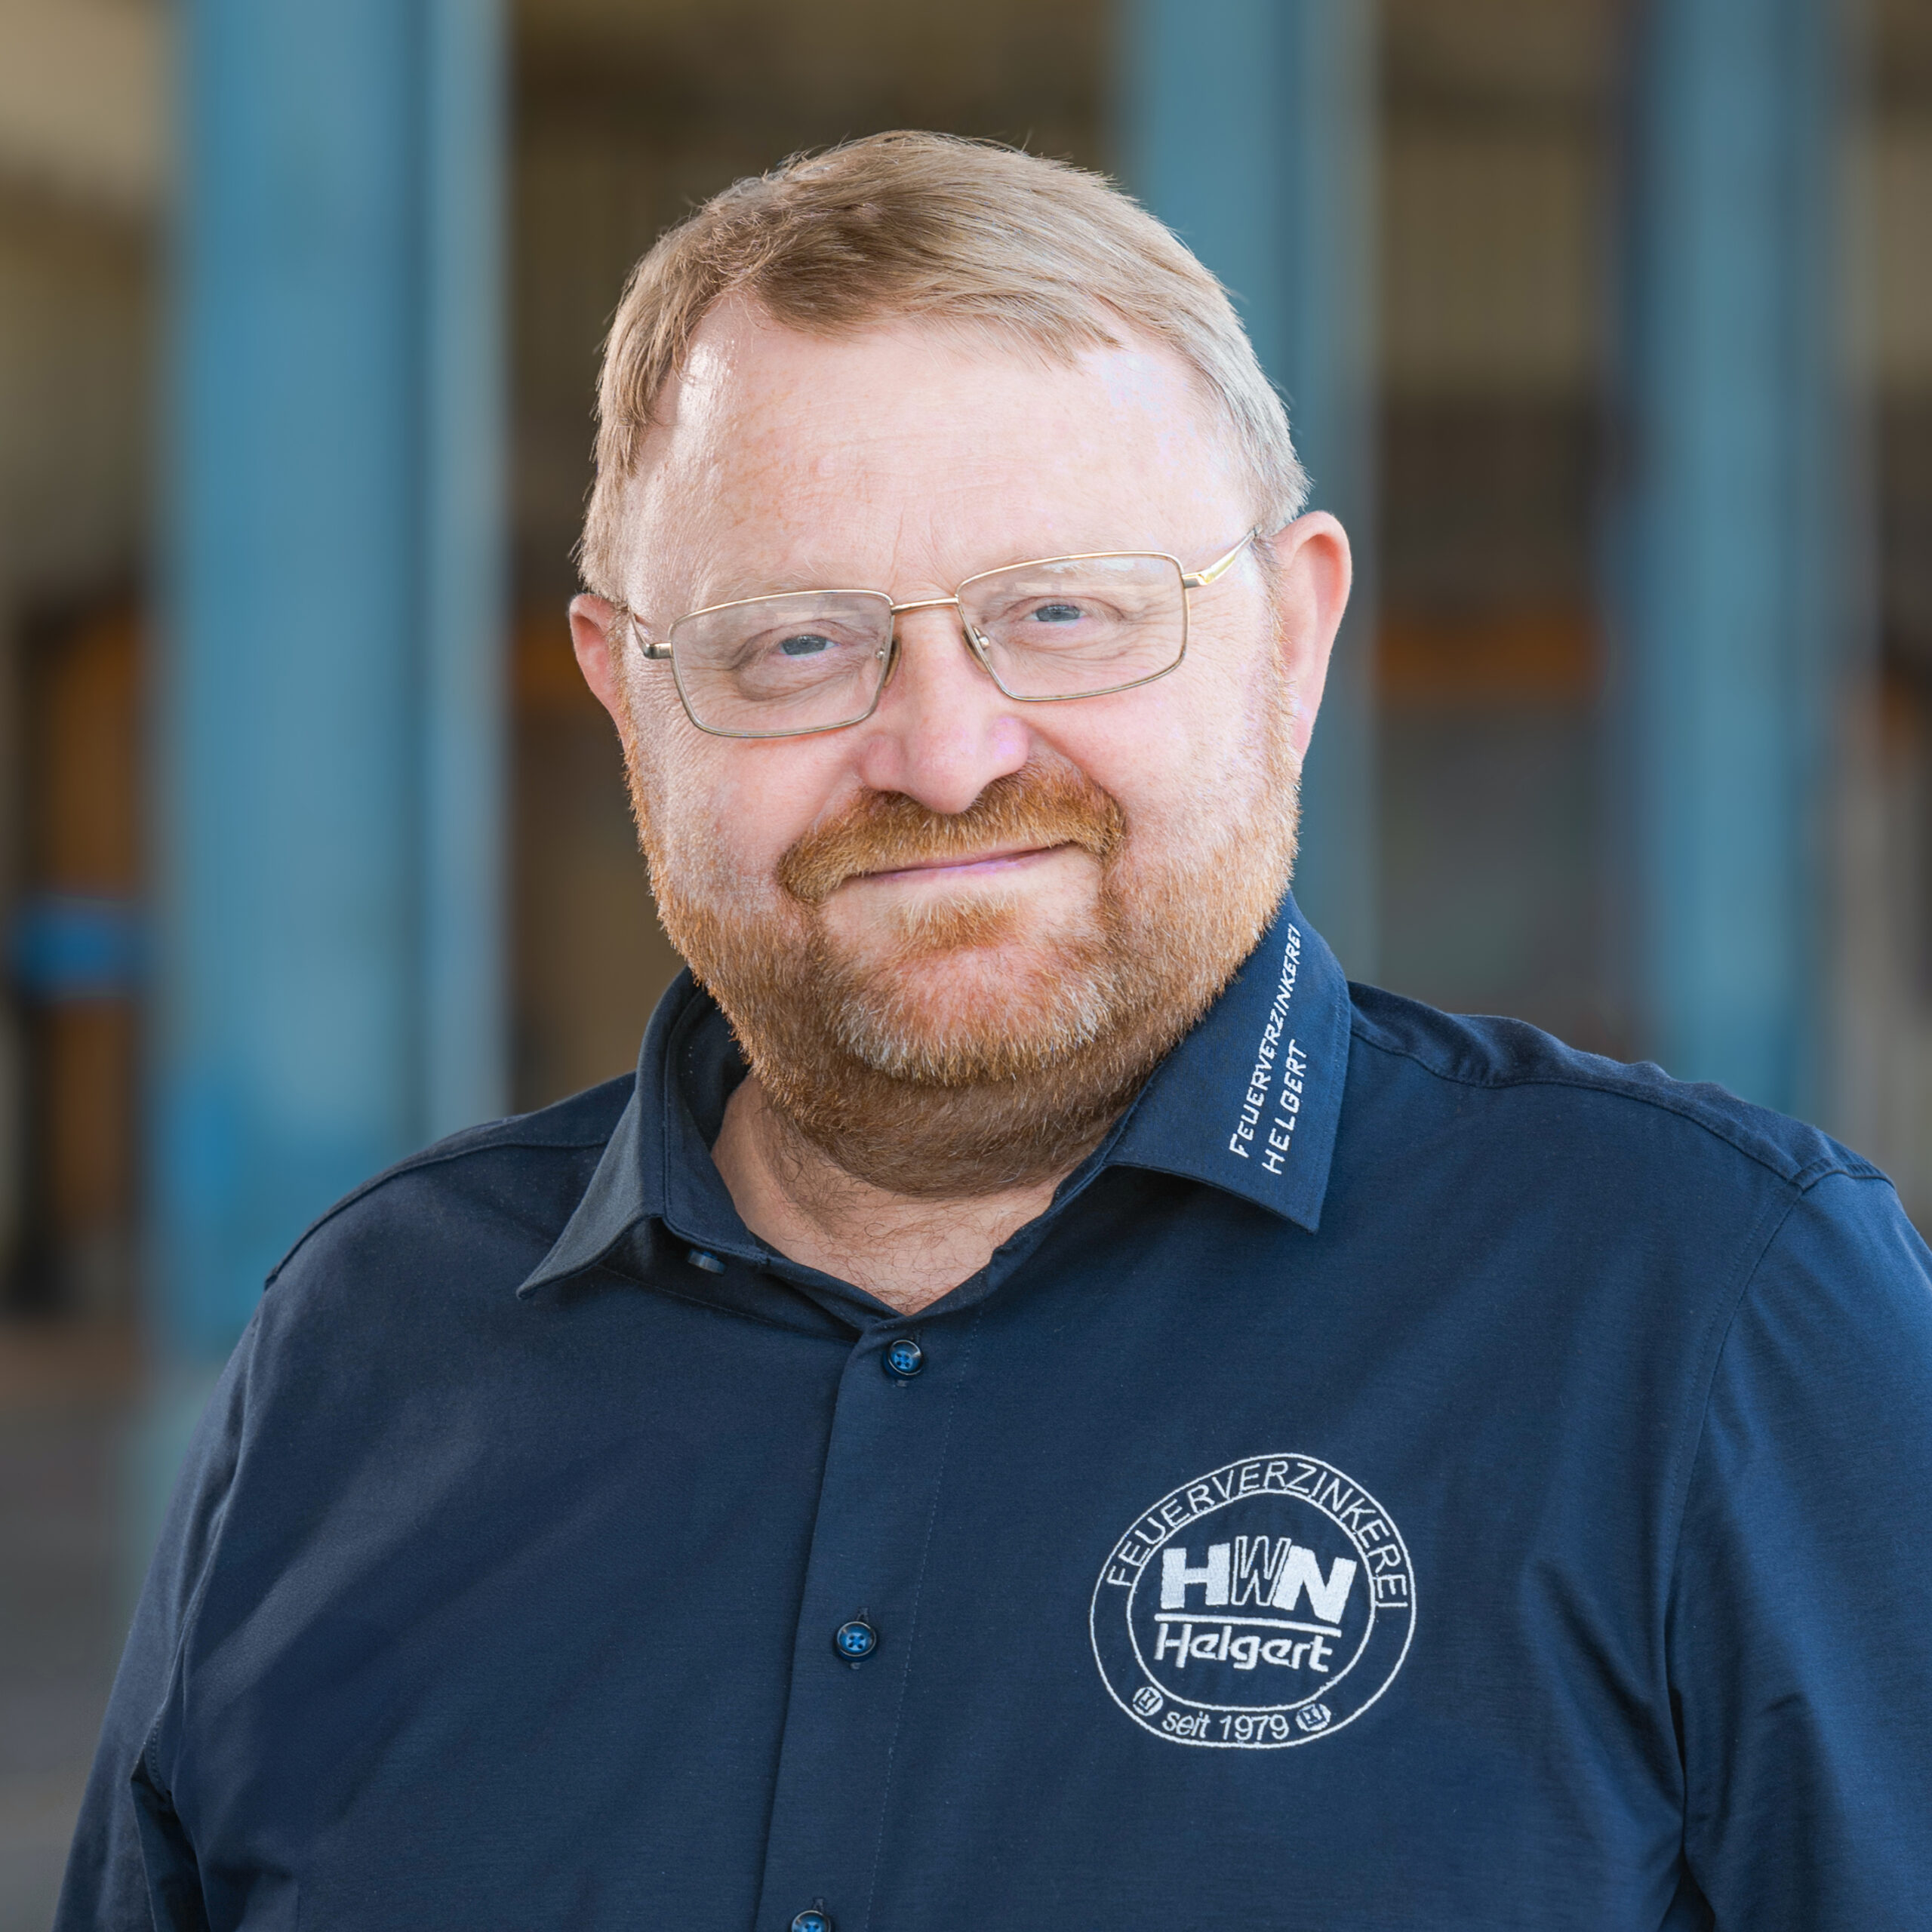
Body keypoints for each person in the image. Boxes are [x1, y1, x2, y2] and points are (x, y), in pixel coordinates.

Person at [59, 132, 1932, 1932]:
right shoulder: (363, 1350)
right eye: (795, 642)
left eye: (1062, 613)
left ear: (1291, 640)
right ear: (628, 695)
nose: (945, 755)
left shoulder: (1705, 1308)